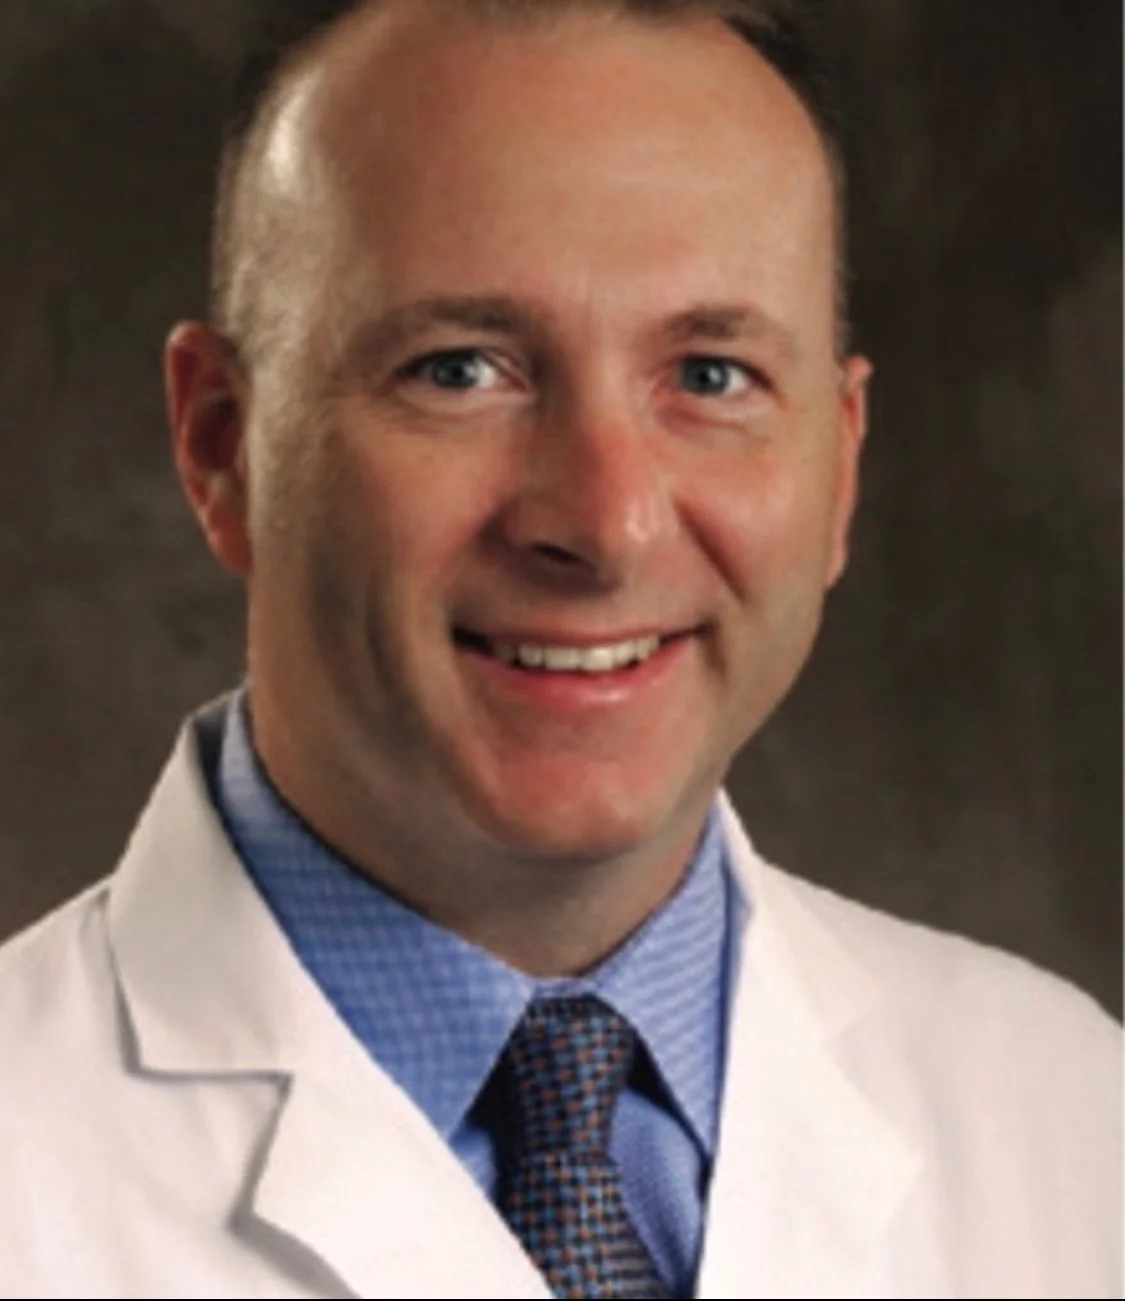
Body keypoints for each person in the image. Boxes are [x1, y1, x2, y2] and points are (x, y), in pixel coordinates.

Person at [0, 1, 1118, 1297]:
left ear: (842, 466)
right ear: (222, 447)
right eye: (459, 370)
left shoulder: (1071, 1117)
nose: (606, 524)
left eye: (711, 377)